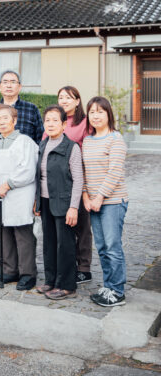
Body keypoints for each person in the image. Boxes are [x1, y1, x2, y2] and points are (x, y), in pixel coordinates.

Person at [0, 69, 44, 269]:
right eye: (5, 82)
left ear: (19, 86)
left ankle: (26, 270)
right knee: (2, 225)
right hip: (0, 172)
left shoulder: (31, 109)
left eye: (13, 81)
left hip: (23, 173)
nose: (9, 85)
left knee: (21, 226)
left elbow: (39, 139)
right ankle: (6, 264)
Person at [0, 104, 38, 290]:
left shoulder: (25, 142)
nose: (1, 122)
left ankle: (27, 273)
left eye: (5, 118)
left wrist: (8, 184)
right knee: (4, 232)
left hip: (19, 194)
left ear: (14, 120)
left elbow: (28, 171)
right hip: (0, 194)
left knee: (22, 234)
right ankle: (9, 269)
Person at [82, 96, 128, 307]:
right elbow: (83, 172)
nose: (96, 115)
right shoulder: (88, 141)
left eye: (100, 111)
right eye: (92, 112)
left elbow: (115, 172)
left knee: (112, 246)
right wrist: (86, 197)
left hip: (112, 202)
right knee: (101, 247)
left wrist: (100, 196)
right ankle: (108, 286)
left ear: (108, 114)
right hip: (92, 203)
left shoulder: (115, 139)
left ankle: (117, 292)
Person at [34, 105, 83, 300]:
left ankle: (66, 285)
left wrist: (73, 207)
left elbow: (78, 179)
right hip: (46, 202)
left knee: (65, 245)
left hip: (64, 203)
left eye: (55, 120)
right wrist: (37, 201)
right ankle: (51, 280)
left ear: (64, 124)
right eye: (48, 120)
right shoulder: (43, 144)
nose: (51, 124)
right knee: (49, 243)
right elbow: (40, 176)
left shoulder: (71, 147)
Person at [45, 86, 93, 285]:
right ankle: (65, 267)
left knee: (81, 225)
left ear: (77, 100)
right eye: (60, 97)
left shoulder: (84, 122)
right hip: (57, 182)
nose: (64, 100)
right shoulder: (53, 120)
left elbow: (87, 149)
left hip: (80, 177)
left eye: (68, 97)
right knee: (62, 229)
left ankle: (83, 267)